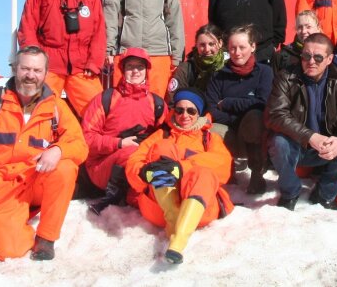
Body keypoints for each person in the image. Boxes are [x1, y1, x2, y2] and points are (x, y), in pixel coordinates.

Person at [0, 46, 88, 261]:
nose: (30, 76)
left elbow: (80, 145)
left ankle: (46, 238)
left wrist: (58, 149)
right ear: (15, 69)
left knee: (65, 166)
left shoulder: (55, 107)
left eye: (37, 70)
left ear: (46, 74)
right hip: (2, 189)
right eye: (25, 69)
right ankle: (12, 219)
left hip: (35, 180)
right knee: (10, 250)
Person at [126, 88, 234, 265]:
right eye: (180, 110)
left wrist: (182, 167)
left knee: (204, 173)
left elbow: (223, 165)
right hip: (159, 209)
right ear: (173, 111)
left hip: (201, 207)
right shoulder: (161, 135)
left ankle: (178, 238)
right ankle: (175, 218)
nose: (185, 115)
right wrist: (145, 172)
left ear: (199, 114)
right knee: (163, 149)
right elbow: (133, 162)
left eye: (191, 111)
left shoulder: (209, 138)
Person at [265, 33, 337, 210]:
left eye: (318, 57)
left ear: (329, 59)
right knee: (278, 142)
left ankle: (324, 193)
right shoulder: (286, 77)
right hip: (296, 146)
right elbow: (274, 114)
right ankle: (290, 191)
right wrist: (309, 136)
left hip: (326, 149)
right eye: (306, 56)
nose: (311, 61)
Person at [17, 0, 105, 117]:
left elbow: (99, 31)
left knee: (98, 113)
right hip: (50, 65)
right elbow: (28, 27)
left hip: (82, 68)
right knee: (41, 111)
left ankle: (94, 145)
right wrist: (35, 63)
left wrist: (94, 62)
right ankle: (39, 144)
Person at [81, 48, 168, 215]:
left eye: (140, 67)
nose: (135, 71)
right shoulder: (105, 99)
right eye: (130, 66)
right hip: (102, 165)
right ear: (122, 70)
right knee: (130, 152)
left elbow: (165, 135)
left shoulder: (156, 103)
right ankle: (111, 199)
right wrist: (119, 143)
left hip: (140, 161)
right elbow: (86, 139)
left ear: (147, 71)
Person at [205, 25, 273, 194]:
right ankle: (225, 170)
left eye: (242, 47)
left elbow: (262, 103)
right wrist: (236, 118)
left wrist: (228, 103)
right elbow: (212, 108)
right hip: (229, 129)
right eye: (233, 48)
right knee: (211, 130)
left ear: (253, 47)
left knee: (255, 117)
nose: (237, 52)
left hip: (253, 130)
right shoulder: (219, 75)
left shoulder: (264, 72)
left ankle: (257, 173)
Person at [169, 23, 226, 98]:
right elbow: (174, 98)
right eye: (202, 45)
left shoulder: (228, 66)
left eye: (211, 44)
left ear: (220, 43)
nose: (207, 49)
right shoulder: (186, 68)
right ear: (196, 45)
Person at [272, 10, 322, 75]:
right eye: (300, 27)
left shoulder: (326, 53)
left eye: (308, 27)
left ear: (318, 28)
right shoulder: (281, 56)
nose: (303, 31)